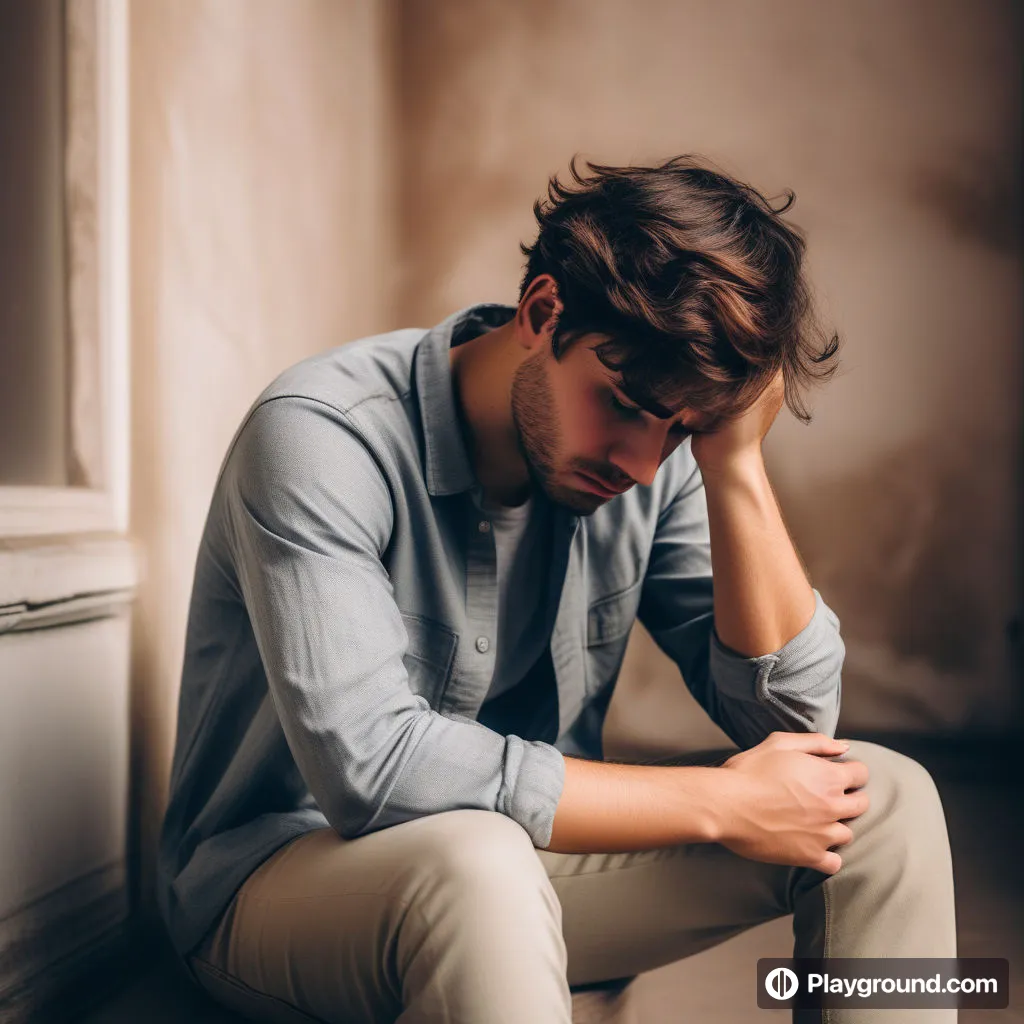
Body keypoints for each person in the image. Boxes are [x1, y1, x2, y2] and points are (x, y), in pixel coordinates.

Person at [158, 156, 956, 1023]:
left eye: (680, 429)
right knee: (478, 863)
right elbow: (374, 770)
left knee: (879, 799)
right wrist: (718, 803)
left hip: (518, 868)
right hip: (283, 886)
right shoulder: (322, 437)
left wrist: (734, 462)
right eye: (622, 402)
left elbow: (795, 729)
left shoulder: (659, 462)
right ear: (543, 313)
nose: (643, 465)